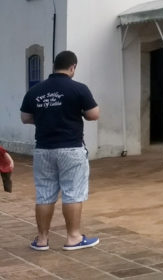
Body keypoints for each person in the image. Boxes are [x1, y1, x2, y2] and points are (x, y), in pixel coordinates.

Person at [20, 50, 100, 251]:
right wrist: (77, 112)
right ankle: (73, 238)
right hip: (71, 148)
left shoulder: (36, 91)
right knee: (72, 193)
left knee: (44, 193)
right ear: (73, 67)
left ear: (54, 66)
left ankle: (41, 240)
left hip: (44, 149)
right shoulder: (78, 89)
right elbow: (94, 114)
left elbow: (25, 117)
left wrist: (45, 117)